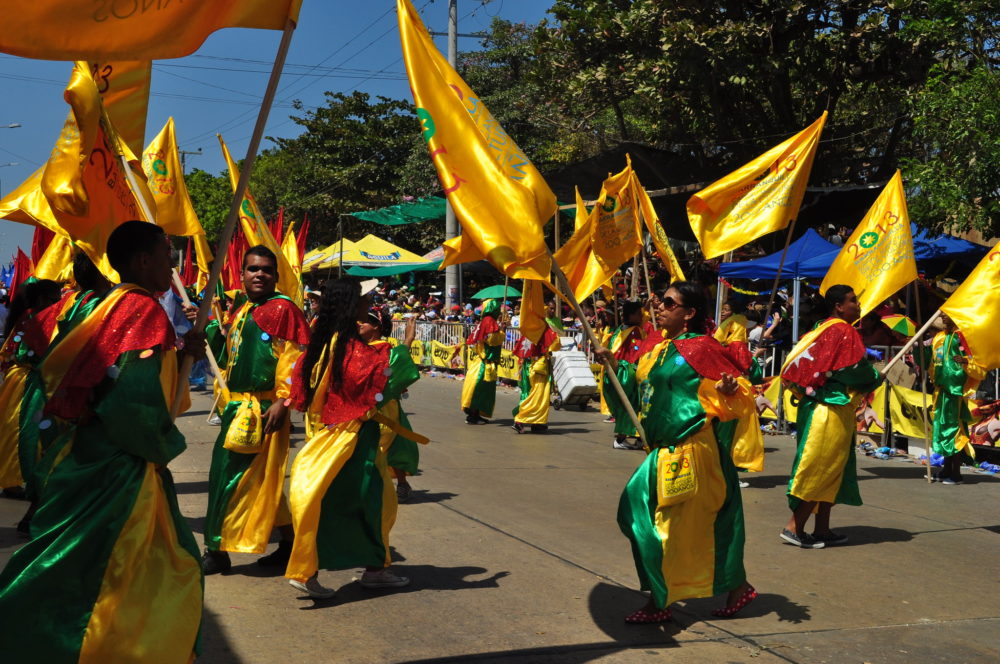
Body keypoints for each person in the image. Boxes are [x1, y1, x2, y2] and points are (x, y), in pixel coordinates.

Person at [0, 221, 204, 662]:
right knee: (144, 568)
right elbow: (131, 397)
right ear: (143, 260)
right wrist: (159, 446)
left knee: (81, 562)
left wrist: (186, 351)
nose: (173, 265)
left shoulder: (110, 305)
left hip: (91, 455)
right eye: (166, 255)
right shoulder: (141, 309)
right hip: (122, 467)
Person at [617, 282, 757, 623]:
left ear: (689, 313)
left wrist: (727, 390)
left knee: (671, 527)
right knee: (633, 513)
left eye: (668, 302)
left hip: (690, 451)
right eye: (659, 300)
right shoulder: (663, 346)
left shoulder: (701, 348)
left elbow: (739, 394)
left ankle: (661, 601)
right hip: (661, 453)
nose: (659, 306)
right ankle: (726, 586)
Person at [287, 277, 422, 598]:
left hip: (333, 436)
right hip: (348, 438)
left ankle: (365, 567)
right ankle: (339, 569)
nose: (368, 303)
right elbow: (389, 378)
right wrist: (401, 353)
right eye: (364, 299)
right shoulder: (348, 348)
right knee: (371, 504)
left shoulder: (327, 342)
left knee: (351, 502)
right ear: (350, 305)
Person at [202, 245, 311, 575]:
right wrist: (208, 329)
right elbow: (227, 358)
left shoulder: (283, 309)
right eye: (253, 269)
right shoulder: (243, 308)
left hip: (264, 409)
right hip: (236, 406)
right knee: (263, 481)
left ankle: (217, 549)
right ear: (243, 274)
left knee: (228, 477)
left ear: (276, 276)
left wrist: (283, 400)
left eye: (266, 269)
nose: (259, 274)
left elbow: (297, 358)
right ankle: (290, 544)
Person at [779, 285, 880, 548]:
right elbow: (851, 368)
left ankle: (822, 528)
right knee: (822, 468)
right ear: (839, 306)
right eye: (853, 301)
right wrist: (874, 377)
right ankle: (794, 526)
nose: (857, 305)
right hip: (829, 411)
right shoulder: (843, 330)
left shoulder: (820, 329)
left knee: (834, 469)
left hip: (824, 408)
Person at [0, 278, 62, 497]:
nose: (59, 303)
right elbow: (21, 350)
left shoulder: (39, 317)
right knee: (21, 431)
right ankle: (14, 480)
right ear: (43, 299)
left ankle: (30, 478)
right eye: (55, 299)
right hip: (26, 380)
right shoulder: (31, 319)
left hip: (31, 378)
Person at [360, 306, 422, 502]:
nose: (360, 324)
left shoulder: (384, 349)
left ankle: (385, 487)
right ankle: (400, 484)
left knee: (381, 445)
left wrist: (408, 340)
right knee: (394, 446)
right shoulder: (356, 347)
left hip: (383, 407)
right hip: (359, 407)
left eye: (366, 321)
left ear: (377, 327)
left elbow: (395, 369)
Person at [930, 313, 985, 484]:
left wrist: (965, 362)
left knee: (954, 431)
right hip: (941, 391)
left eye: (947, 315)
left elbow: (977, 362)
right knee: (942, 430)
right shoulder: (939, 337)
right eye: (943, 315)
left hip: (955, 393)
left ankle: (956, 473)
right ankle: (946, 469)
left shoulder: (963, 337)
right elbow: (934, 361)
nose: (944, 318)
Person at [596, 300, 655, 449]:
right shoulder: (628, 332)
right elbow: (626, 355)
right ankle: (621, 439)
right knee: (629, 406)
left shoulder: (630, 329)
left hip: (630, 372)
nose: (642, 316)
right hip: (627, 373)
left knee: (637, 407)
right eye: (639, 314)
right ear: (632, 315)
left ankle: (639, 438)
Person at [511, 318, 561, 434]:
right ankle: (520, 420)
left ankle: (537, 423)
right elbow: (555, 345)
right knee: (538, 397)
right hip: (539, 369)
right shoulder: (544, 330)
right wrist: (555, 332)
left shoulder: (529, 329)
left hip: (530, 367)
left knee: (534, 395)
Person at [458, 299, 504, 425]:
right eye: (498, 308)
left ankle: (476, 414)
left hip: (483, 361)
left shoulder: (486, 321)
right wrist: (502, 331)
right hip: (484, 362)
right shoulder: (489, 321)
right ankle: (472, 415)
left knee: (482, 390)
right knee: (479, 389)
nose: (499, 311)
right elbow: (492, 340)